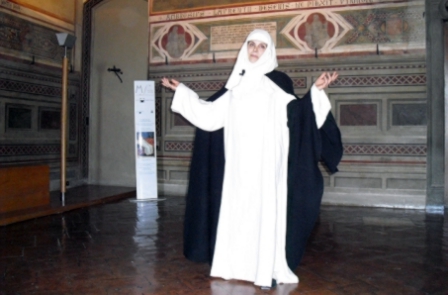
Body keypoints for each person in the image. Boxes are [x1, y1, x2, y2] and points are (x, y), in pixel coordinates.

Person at [161, 29, 342, 289]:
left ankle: (263, 266)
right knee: (238, 210)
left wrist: (315, 90)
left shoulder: (276, 85)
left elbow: (298, 113)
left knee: (264, 211)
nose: (255, 50)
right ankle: (234, 264)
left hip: (267, 165)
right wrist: (183, 92)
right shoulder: (235, 87)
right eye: (251, 44)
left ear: (269, 51)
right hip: (238, 165)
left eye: (261, 46)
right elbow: (211, 116)